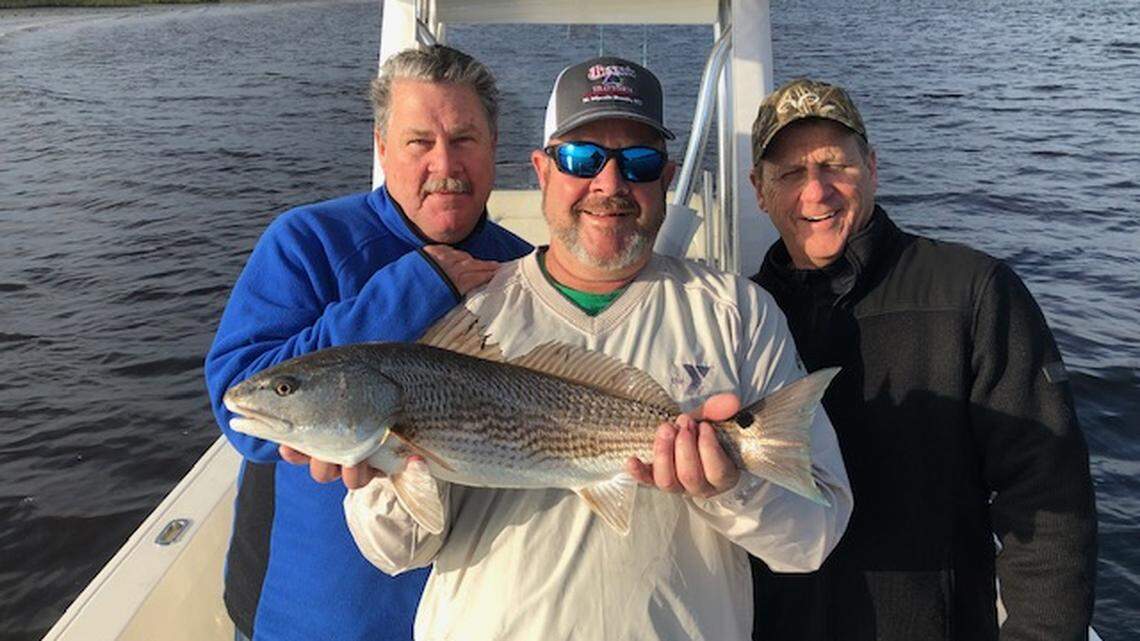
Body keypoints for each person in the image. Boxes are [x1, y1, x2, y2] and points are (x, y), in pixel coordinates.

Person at [342, 56, 854, 641]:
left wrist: (733, 489)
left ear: (665, 178)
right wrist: (395, 466)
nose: (609, 185)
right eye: (582, 159)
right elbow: (394, 551)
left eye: (637, 162)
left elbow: (813, 537)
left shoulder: (738, 314)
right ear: (542, 171)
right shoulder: (467, 314)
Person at [746, 78, 1097, 641]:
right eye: (790, 173)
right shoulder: (742, 318)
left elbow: (1046, 494)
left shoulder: (972, 292)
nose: (817, 192)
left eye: (836, 165)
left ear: (873, 167)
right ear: (759, 191)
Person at [203, 45, 532, 641]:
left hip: (476, 611)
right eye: (419, 143)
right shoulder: (309, 241)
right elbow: (241, 407)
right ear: (381, 147)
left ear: (493, 146)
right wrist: (416, 286)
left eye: (464, 139)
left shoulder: (524, 270)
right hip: (318, 617)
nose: (444, 164)